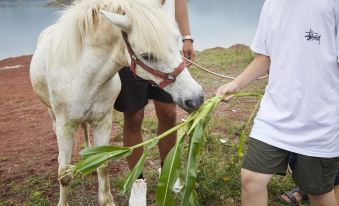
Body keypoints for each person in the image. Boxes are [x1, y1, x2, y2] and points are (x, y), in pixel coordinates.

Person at [216, 0, 339, 205]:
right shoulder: (272, 3)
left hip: (320, 118)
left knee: (318, 191)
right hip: (275, 113)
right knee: (251, 179)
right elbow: (266, 56)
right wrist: (236, 84)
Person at [113, 0, 194, 205]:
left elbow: (179, 2)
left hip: (163, 48)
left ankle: (168, 172)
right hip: (133, 49)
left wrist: (186, 37)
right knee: (133, 118)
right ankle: (138, 182)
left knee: (168, 113)